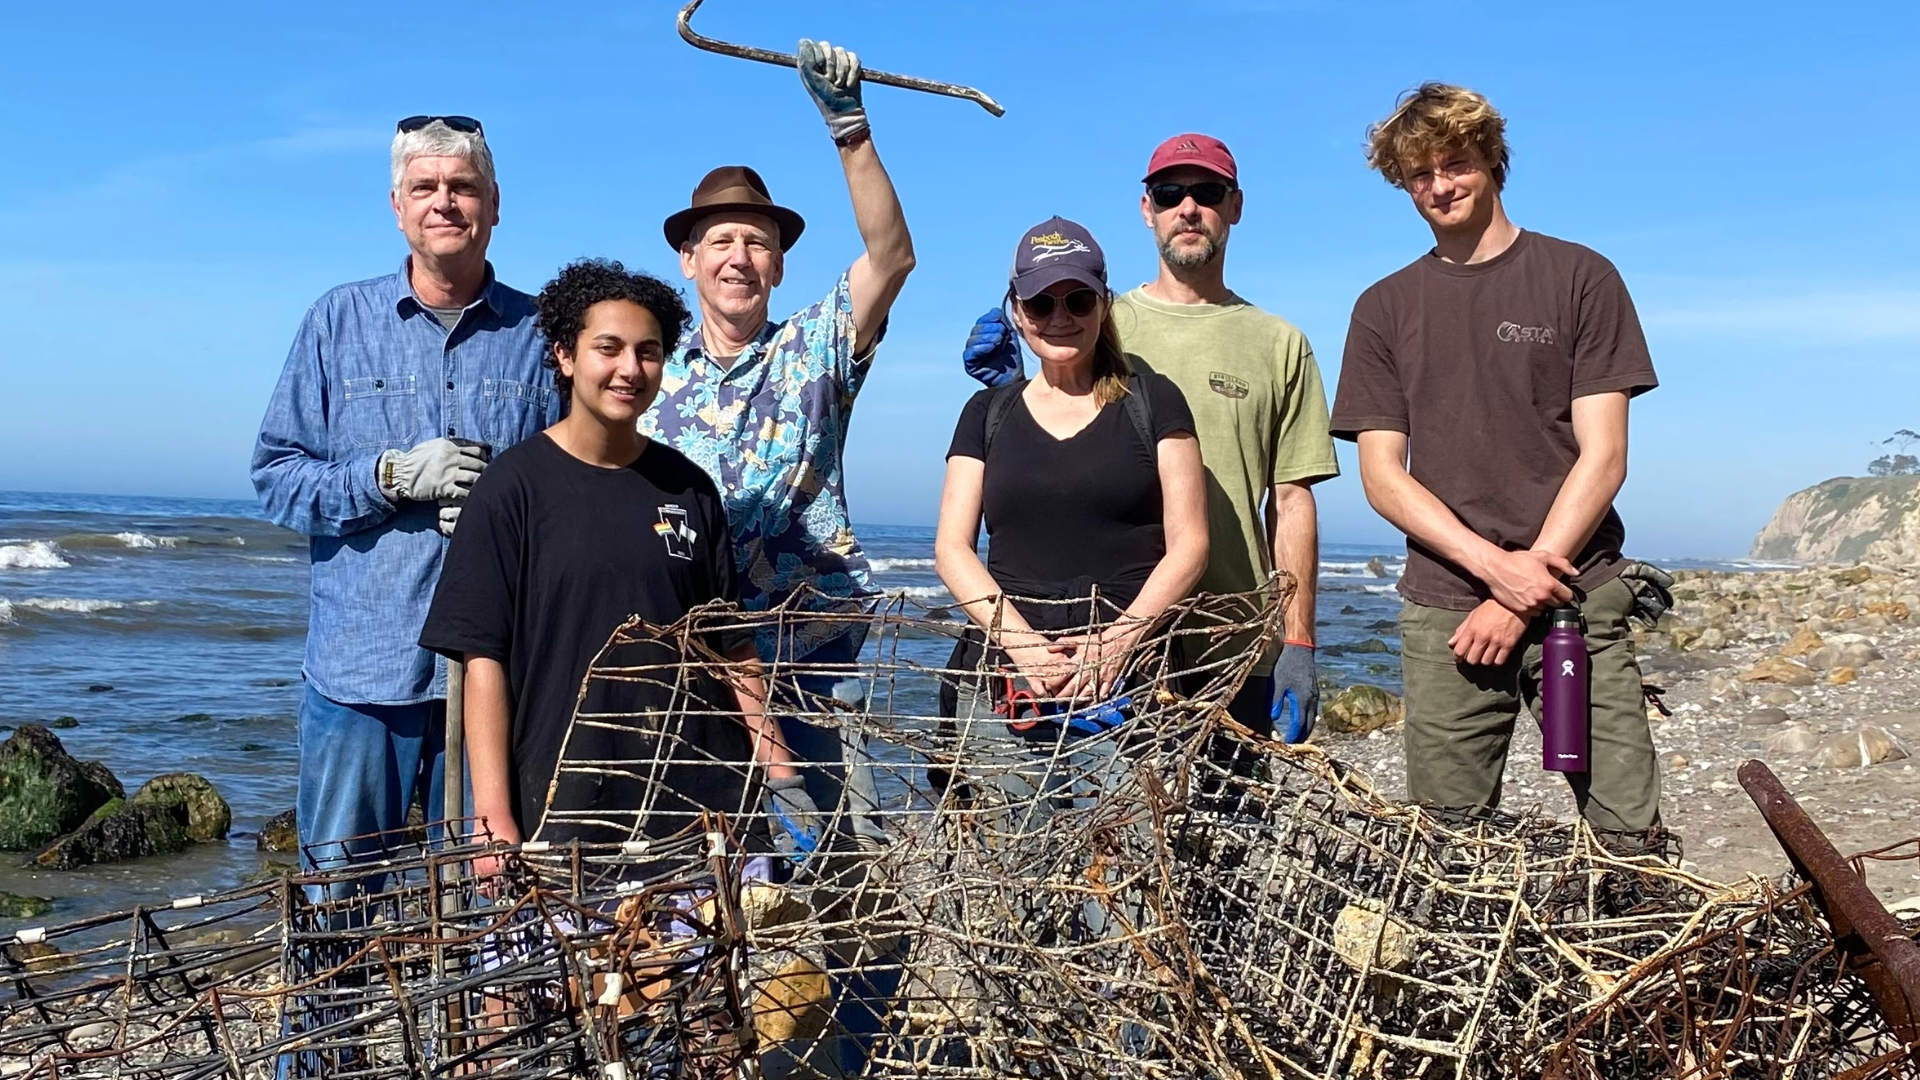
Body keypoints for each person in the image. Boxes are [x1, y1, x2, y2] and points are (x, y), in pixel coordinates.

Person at [1328, 83, 1663, 839]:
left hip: (1577, 595)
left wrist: (1523, 586)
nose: (1439, 185)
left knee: (1628, 836)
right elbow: (1382, 476)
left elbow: (1605, 455)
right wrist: (1494, 571)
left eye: (1456, 163)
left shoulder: (1581, 277)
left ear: (1492, 163)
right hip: (1447, 609)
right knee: (1447, 842)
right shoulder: (1383, 307)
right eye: (1420, 174)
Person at [417, 259, 812, 867]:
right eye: (609, 348)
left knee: (703, 962)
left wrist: (781, 772)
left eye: (648, 351)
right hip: (563, 803)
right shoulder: (512, 490)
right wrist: (491, 814)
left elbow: (730, 648)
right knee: (587, 965)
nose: (630, 369)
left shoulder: (689, 489)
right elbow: (482, 660)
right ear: (565, 356)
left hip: (701, 804)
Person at [252, 115, 560, 879]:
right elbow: (276, 479)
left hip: (494, 674)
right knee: (339, 905)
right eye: (425, 188)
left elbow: (572, 491)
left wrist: (506, 510)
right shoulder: (336, 322)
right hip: (361, 675)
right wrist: (387, 479)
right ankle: (330, 1008)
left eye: (463, 188)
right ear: (397, 204)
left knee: (486, 910)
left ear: (495, 203)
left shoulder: (542, 335)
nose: (444, 203)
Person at [960, 134, 1338, 742]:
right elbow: (1051, 442)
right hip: (1119, 648)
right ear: (1147, 209)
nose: (1187, 208)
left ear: (1235, 205)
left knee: (1225, 828)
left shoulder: (1280, 344)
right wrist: (1014, 388)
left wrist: (1298, 640)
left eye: (1207, 193)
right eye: (1169, 193)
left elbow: (1291, 502)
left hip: (1229, 639)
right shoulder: (1095, 318)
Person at [640, 39, 914, 846]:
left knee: (834, 873)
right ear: (688, 260)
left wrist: (851, 128)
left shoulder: (819, 347)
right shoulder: (644, 373)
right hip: (686, 667)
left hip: (810, 666)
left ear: (781, 265)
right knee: (702, 884)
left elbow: (891, 257)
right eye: (720, 241)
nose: (739, 257)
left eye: (758, 242)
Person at [935, 214, 1207, 807]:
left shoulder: (1154, 400)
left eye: (1078, 299)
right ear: (1016, 310)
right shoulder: (985, 414)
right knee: (1015, 873)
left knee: (1130, 875)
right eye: (1041, 302)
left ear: (1104, 302)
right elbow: (951, 547)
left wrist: (1118, 642)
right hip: (1006, 686)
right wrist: (1023, 646)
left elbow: (1190, 544)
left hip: (1132, 686)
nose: (1060, 317)